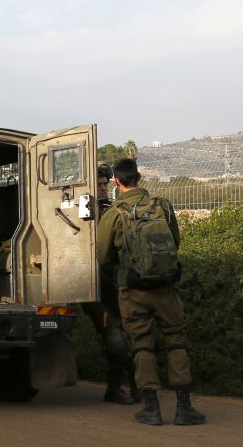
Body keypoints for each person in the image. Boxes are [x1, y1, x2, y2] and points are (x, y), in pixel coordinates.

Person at [97, 158, 206, 426]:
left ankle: (152, 408)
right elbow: (175, 242)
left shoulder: (114, 214)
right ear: (140, 176)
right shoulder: (162, 206)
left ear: (116, 181)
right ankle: (184, 408)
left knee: (142, 345)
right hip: (166, 288)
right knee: (176, 341)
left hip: (133, 290)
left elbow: (102, 256)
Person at [81, 164, 138, 404]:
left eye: (106, 183)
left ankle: (118, 387)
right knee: (113, 337)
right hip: (92, 285)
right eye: (99, 184)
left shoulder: (114, 210)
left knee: (124, 336)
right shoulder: (84, 212)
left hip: (116, 284)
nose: (103, 188)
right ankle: (130, 382)